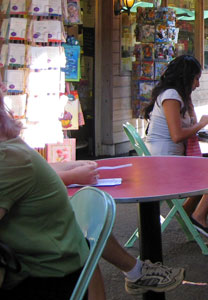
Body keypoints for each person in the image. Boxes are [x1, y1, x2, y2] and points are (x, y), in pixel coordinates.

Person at [0, 93, 184, 298]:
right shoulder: (11, 147)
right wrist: (70, 169)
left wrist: (70, 173)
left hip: (44, 274)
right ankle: (136, 270)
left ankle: (136, 270)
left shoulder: (7, 157)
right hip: (67, 259)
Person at [142, 55, 208, 241]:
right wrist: (201, 124)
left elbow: (188, 124)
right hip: (164, 164)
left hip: (170, 158)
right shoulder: (171, 96)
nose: (198, 84)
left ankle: (186, 211)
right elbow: (177, 136)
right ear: (185, 77)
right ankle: (198, 216)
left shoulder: (177, 96)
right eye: (196, 78)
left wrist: (191, 105)